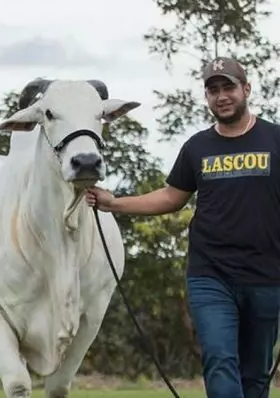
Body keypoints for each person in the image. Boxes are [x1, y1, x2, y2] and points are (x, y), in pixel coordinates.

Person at [85, 56, 280, 398]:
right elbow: (171, 197)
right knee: (219, 360)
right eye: (213, 90)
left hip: (268, 276)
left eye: (228, 87)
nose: (221, 96)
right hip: (211, 275)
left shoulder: (275, 139)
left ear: (246, 89)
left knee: (255, 376)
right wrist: (114, 203)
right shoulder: (197, 147)